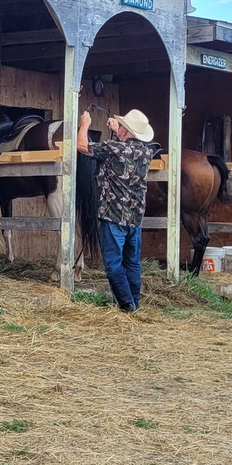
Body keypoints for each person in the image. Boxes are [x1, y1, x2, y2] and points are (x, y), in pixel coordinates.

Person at [77, 108, 157, 312]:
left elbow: (82, 146)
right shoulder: (147, 152)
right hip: (135, 218)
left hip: (113, 216)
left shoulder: (113, 148)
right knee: (133, 263)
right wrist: (118, 130)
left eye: (121, 126)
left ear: (125, 131)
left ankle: (126, 304)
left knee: (113, 265)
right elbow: (126, 151)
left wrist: (85, 124)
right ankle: (134, 303)